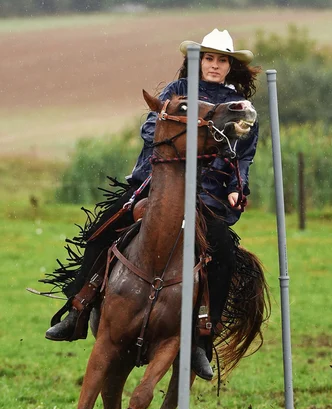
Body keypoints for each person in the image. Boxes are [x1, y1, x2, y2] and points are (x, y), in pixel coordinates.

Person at [43, 29, 260, 380]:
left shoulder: (239, 108)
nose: (215, 65)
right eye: (209, 58)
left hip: (206, 195)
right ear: (197, 60)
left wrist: (238, 186)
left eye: (222, 60)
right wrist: (183, 136)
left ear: (231, 66)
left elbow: (243, 156)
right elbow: (150, 131)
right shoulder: (175, 93)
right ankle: (77, 309)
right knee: (103, 229)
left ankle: (202, 341)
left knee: (222, 253)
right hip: (156, 184)